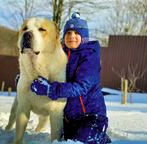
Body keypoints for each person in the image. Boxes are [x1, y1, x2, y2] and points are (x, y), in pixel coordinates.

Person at [31, 12, 111, 144]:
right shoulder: (60, 54)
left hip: (91, 117)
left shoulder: (90, 56)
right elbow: (47, 71)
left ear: (84, 37)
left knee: (81, 141)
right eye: (68, 33)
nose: (71, 36)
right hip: (69, 119)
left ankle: (99, 136)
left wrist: (50, 89)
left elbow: (82, 87)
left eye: (76, 33)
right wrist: (32, 80)